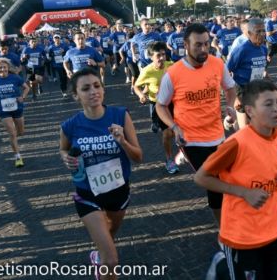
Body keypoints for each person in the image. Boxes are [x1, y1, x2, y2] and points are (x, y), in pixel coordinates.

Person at [194, 79, 277, 279]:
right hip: (241, 236)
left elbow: (274, 166)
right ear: (250, 111)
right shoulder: (236, 143)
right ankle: (222, 267)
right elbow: (201, 177)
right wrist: (244, 192)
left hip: (276, 229)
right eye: (268, 104)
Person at [59, 68, 142, 280]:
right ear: (76, 95)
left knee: (109, 237)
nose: (93, 91)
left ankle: (99, 255)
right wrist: (65, 157)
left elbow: (138, 156)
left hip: (118, 191)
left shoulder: (120, 115)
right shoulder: (70, 125)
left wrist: (122, 141)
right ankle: (103, 259)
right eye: (85, 88)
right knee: (112, 259)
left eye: (97, 86)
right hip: (87, 194)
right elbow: (63, 148)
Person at [156, 23, 236, 223]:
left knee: (225, 176)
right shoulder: (173, 74)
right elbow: (160, 106)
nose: (203, 50)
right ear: (185, 45)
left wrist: (231, 107)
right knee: (214, 182)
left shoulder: (217, 64)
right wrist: (174, 127)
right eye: (198, 45)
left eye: (207, 44)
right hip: (190, 139)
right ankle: (224, 230)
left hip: (217, 134)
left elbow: (231, 88)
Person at [133, 42, 178, 174]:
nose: (161, 58)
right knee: (167, 133)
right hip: (158, 105)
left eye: (163, 55)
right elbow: (136, 86)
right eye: (158, 55)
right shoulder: (147, 71)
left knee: (177, 130)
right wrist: (141, 94)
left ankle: (184, 153)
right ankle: (169, 159)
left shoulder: (172, 66)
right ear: (151, 57)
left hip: (173, 103)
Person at [0, 58, 30, 168]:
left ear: (8, 68)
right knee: (12, 134)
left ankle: (17, 135)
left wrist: (23, 96)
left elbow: (26, 88)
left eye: (4, 67)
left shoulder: (15, 78)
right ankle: (17, 157)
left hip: (17, 108)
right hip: (4, 110)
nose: (2, 69)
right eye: (0, 68)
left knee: (20, 132)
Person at [226, 18, 268, 130]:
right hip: (241, 88)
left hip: (256, 88)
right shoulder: (241, 49)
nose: (262, 34)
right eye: (258, 31)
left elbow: (261, 67)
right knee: (244, 128)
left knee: (254, 121)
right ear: (249, 33)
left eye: (263, 30)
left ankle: (232, 122)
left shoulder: (264, 48)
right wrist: (234, 97)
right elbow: (227, 71)